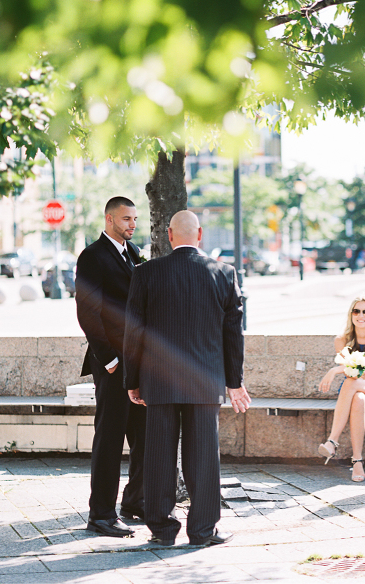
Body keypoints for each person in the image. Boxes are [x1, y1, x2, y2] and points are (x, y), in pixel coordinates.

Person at [124, 210, 250, 547]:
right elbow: (233, 334)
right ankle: (203, 530)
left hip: (159, 381)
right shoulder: (224, 273)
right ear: (200, 235)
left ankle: (162, 530)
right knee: (204, 457)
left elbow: (133, 333)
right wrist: (234, 381)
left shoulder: (147, 272)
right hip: (205, 380)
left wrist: (132, 380)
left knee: (159, 456)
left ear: (169, 235)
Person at [75, 196, 146, 537]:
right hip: (113, 364)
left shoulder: (133, 254)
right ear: (109, 219)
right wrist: (111, 360)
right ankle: (101, 514)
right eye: (126, 219)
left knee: (144, 435)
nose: (132, 224)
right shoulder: (92, 256)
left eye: (134, 218)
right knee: (110, 438)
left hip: (137, 362)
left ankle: (135, 503)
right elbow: (88, 314)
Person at [317, 296, 365, 482]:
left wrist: (335, 370)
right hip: (354, 390)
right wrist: (353, 372)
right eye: (356, 311)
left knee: (353, 384)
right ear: (351, 315)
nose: (361, 315)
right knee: (358, 397)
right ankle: (357, 461)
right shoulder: (341, 340)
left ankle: (333, 441)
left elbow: (362, 364)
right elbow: (353, 373)